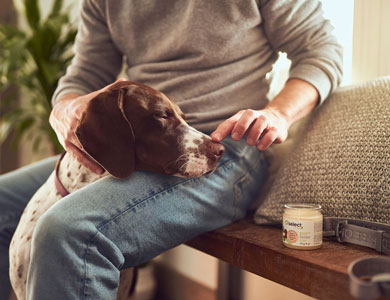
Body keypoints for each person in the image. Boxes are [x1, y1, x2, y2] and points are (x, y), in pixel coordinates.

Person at [0, 0, 342, 298]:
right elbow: (83, 75)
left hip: (227, 151)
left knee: (70, 231)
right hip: (137, 149)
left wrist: (278, 114)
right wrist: (65, 109)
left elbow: (321, 49)